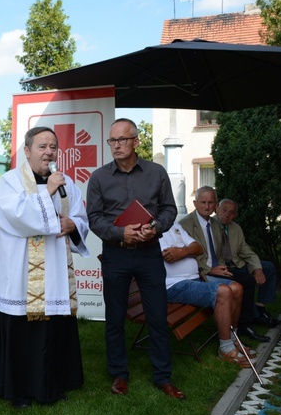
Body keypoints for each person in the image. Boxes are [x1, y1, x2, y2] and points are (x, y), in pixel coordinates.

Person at [0, 127, 90, 408]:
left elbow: (81, 217)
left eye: (53, 147)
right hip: (20, 273)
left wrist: (73, 225)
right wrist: (48, 192)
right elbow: (18, 217)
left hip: (54, 270)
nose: (49, 152)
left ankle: (53, 384)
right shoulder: (10, 182)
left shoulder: (67, 183)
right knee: (22, 329)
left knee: (54, 328)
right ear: (27, 150)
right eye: (42, 146)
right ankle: (19, 390)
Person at [86, 118, 185, 399]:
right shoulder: (99, 177)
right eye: (112, 141)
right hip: (116, 255)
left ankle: (163, 377)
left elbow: (169, 209)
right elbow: (94, 219)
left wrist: (155, 228)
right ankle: (119, 375)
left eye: (122, 140)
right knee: (115, 318)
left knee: (157, 316)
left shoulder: (156, 173)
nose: (116, 146)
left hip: (149, 254)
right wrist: (121, 233)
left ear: (136, 142)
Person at [178, 186, 269, 343]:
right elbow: (186, 255)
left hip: (217, 268)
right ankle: (233, 335)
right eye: (203, 202)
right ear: (195, 203)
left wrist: (222, 267)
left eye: (210, 202)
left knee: (243, 282)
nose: (207, 206)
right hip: (199, 273)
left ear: (215, 205)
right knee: (238, 286)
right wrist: (210, 269)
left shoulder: (214, 224)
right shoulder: (185, 224)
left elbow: (220, 251)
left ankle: (236, 332)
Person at [160, 223, 254, 367]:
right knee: (223, 291)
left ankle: (233, 338)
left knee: (237, 288)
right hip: (173, 285)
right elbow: (168, 256)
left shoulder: (174, 224)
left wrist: (182, 251)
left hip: (195, 277)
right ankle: (225, 349)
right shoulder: (150, 229)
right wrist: (186, 250)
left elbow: (198, 248)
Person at [216, 198, 281, 328]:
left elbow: (246, 251)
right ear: (217, 209)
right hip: (222, 268)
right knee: (246, 280)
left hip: (237, 264)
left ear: (235, 215)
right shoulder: (210, 226)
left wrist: (257, 269)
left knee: (268, 267)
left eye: (231, 212)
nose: (227, 214)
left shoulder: (236, 228)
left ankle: (260, 308)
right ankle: (255, 316)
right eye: (224, 210)